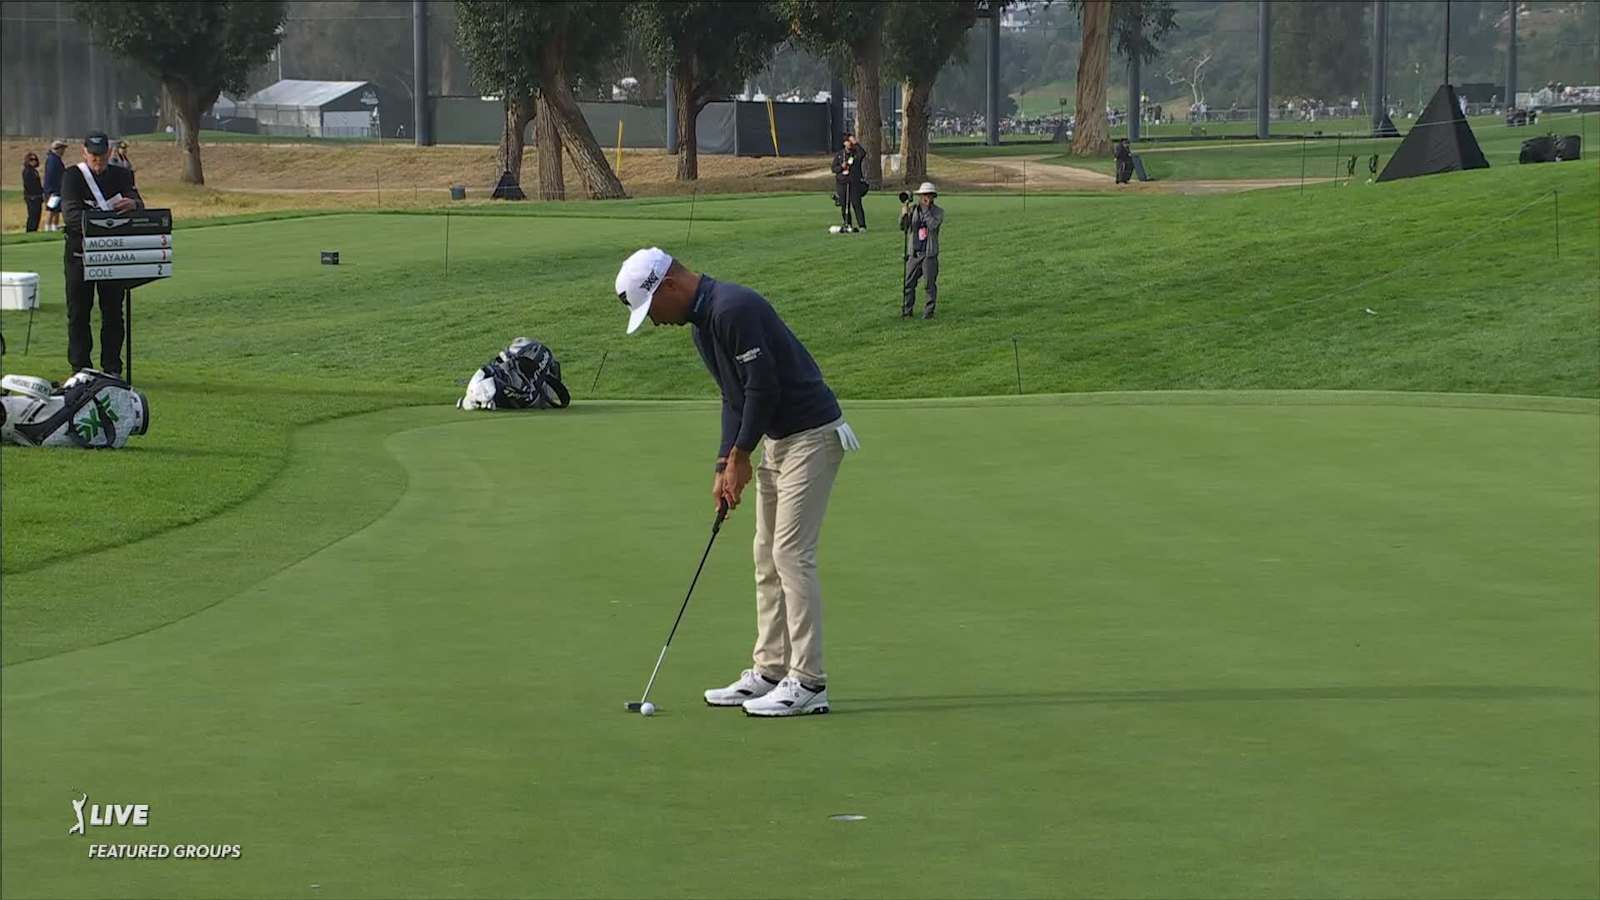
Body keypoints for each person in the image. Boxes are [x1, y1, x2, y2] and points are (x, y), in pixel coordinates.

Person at [613, 247, 858, 717]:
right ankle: (770, 670)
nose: (655, 322)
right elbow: (735, 397)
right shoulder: (705, 327)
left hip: (812, 434)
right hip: (780, 441)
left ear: (668, 286)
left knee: (790, 554)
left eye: (652, 309)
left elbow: (764, 387)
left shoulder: (733, 308)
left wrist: (743, 455)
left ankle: (808, 682)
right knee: (765, 555)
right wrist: (724, 462)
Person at [61, 130, 142, 377]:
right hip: (80, 254)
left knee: (113, 313)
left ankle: (112, 367)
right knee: (78, 312)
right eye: (93, 155)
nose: (98, 160)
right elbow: (71, 215)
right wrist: (104, 220)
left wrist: (134, 204)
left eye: (102, 155)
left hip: (114, 255)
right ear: (84, 153)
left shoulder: (121, 174)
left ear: (108, 152)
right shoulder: (73, 176)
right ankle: (80, 368)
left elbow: (138, 202)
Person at [899, 182, 943, 320]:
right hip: (914, 254)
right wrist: (904, 214)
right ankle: (907, 310)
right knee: (908, 283)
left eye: (928, 195)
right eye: (923, 195)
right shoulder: (913, 210)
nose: (925, 198)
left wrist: (925, 210)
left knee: (929, 284)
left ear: (933, 197)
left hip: (929, 254)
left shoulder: (938, 212)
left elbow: (933, 226)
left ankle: (929, 312)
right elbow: (904, 227)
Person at [830, 132, 867, 232]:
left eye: (851, 141)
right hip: (842, 183)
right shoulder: (839, 155)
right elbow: (833, 168)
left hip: (854, 183)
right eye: (848, 141)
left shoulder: (856, 154)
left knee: (856, 204)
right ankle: (848, 224)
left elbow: (863, 153)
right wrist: (841, 167)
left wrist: (856, 143)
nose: (849, 143)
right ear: (844, 143)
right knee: (844, 205)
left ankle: (862, 225)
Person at [42, 139, 67, 232]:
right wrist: (52, 191)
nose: (63, 151)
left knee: (56, 209)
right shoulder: (52, 160)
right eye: (62, 148)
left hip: (57, 189)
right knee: (51, 209)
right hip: (53, 190)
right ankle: (48, 227)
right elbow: (51, 176)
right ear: (57, 149)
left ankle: (54, 226)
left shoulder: (56, 159)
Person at [21, 151, 44, 232]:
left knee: (37, 216)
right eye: (31, 159)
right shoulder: (27, 171)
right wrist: (32, 196)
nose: (33, 161)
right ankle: (30, 231)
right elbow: (29, 185)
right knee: (32, 216)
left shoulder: (34, 171)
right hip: (32, 197)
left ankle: (34, 230)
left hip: (37, 197)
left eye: (35, 159)